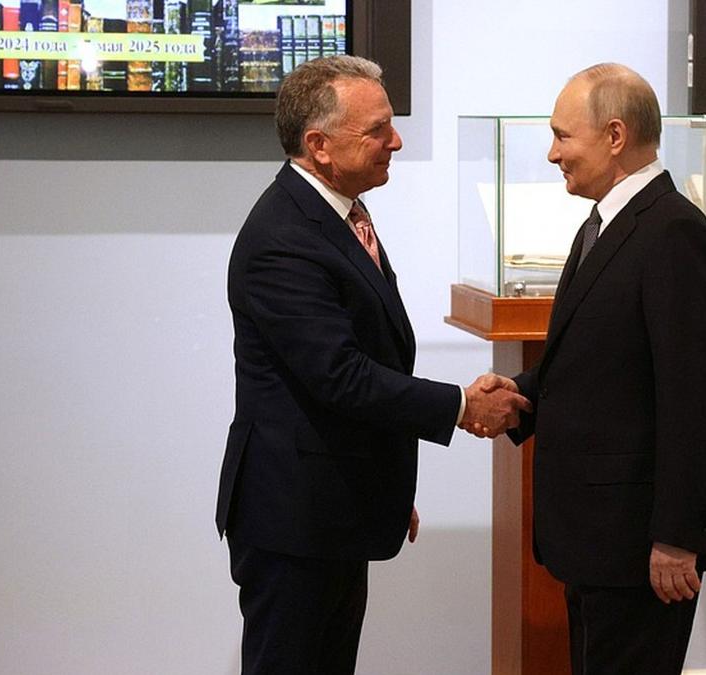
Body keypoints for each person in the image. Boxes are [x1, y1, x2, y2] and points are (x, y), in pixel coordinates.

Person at [215, 55, 529, 675]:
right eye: (378, 129)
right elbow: (341, 375)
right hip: (294, 519)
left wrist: (382, 484)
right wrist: (462, 405)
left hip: (331, 506)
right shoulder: (284, 237)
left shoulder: (338, 212)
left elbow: (370, 355)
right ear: (319, 145)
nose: (397, 141)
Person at [480, 63, 706, 674]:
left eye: (562, 136)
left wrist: (677, 537)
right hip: (597, 542)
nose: (552, 154)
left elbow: (696, 400)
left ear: (615, 135)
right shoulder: (602, 225)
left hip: (640, 547)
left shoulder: (673, 231)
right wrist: (519, 394)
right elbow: (599, 365)